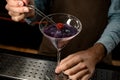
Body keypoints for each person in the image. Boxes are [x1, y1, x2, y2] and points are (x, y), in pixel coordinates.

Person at [5, 0, 120, 80]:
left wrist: (97, 53)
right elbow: (40, 4)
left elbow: (118, 16)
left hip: (96, 58)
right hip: (50, 54)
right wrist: (28, 7)